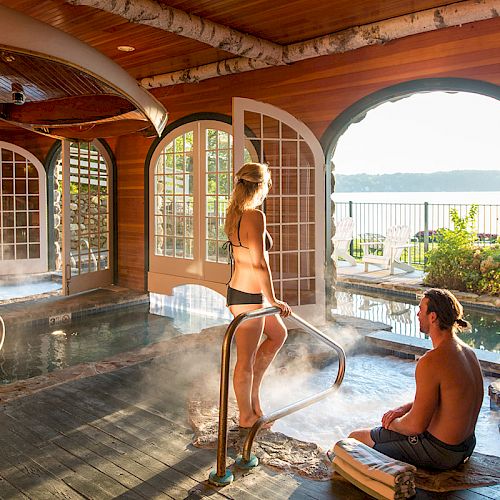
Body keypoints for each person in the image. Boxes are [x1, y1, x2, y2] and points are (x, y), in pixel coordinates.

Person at [348, 288, 483, 470]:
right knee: (373, 434)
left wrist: (392, 425)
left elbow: (414, 427)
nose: (417, 314)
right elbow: (448, 399)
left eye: (420, 309)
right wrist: (403, 408)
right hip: (465, 447)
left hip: (440, 453)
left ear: (433, 317)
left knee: (354, 440)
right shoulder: (468, 352)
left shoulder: (432, 361)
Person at [224, 162, 291, 429]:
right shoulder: (254, 216)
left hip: (241, 293)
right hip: (249, 298)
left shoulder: (235, 214)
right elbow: (259, 264)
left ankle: (253, 397)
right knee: (245, 361)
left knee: (278, 334)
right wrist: (273, 300)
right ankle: (246, 416)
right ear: (261, 186)